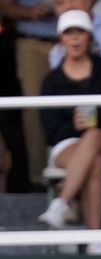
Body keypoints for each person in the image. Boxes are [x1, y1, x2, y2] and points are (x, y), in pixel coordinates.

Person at [37, 10, 101, 254]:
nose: (74, 39)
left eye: (79, 32)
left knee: (93, 136)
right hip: (67, 145)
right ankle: (96, 239)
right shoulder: (51, 80)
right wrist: (75, 125)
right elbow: (50, 131)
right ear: (61, 39)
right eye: (68, 33)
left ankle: (62, 202)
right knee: (95, 159)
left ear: (90, 37)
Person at [0, 0, 57, 188]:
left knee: (76, 105)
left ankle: (72, 170)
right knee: (34, 110)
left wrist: (68, 7)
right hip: (31, 42)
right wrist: (28, 11)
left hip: (71, 38)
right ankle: (38, 179)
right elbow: (5, 5)